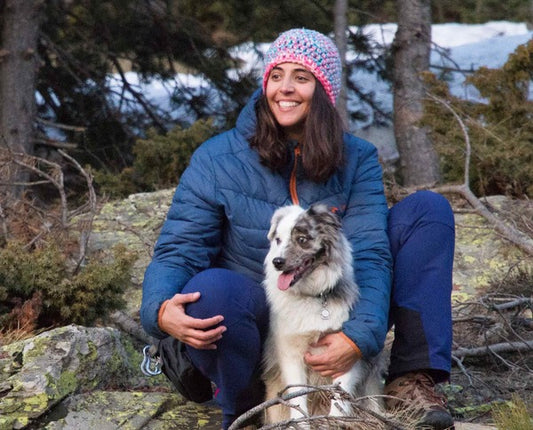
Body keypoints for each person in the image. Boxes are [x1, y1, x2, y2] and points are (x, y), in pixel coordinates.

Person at [140, 28, 455, 430]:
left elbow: (371, 252)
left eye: (301, 78)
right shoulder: (217, 158)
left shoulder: (356, 158)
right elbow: (178, 250)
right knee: (214, 292)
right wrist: (160, 309)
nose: (284, 89)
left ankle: (410, 379)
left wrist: (360, 336)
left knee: (427, 212)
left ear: (323, 92)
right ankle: (242, 402)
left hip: (330, 308)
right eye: (276, 75)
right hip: (251, 325)